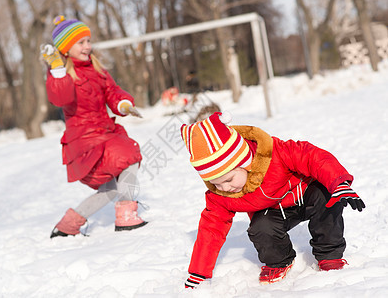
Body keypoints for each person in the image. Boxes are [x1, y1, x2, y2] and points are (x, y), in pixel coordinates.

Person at [180, 112, 365, 288]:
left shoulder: (275, 154)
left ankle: (329, 254)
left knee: (327, 197)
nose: (225, 188)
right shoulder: (221, 193)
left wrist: (338, 183)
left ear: (245, 162)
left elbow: (312, 157)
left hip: (305, 194)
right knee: (261, 228)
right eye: (216, 183)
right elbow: (211, 229)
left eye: (228, 179)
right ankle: (279, 260)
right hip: (274, 211)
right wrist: (199, 273)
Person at [41, 15, 147, 238]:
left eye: (88, 41)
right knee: (129, 155)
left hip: (104, 133)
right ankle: (126, 213)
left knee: (109, 189)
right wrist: (58, 70)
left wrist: (123, 103)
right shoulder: (63, 74)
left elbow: (112, 92)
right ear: (66, 48)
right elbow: (60, 98)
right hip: (86, 140)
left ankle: (67, 225)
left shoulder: (97, 69)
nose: (87, 46)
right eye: (81, 42)